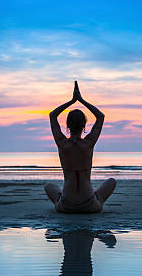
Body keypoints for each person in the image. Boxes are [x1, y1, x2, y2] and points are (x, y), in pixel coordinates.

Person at [44, 81, 116, 213]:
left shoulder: (62, 143)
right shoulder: (88, 143)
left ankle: (61, 199)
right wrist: (81, 100)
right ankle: (92, 196)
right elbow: (100, 117)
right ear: (84, 126)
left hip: (66, 206)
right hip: (89, 205)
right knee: (111, 181)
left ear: (67, 125)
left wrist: (72, 101)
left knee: (49, 186)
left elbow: (52, 115)